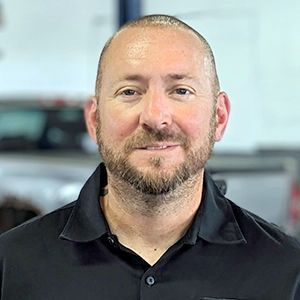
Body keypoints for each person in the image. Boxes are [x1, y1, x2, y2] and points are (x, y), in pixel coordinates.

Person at [0, 14, 299, 300]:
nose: (156, 117)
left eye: (181, 90)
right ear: (94, 121)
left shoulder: (288, 271)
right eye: (130, 92)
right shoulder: (12, 266)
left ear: (219, 117)